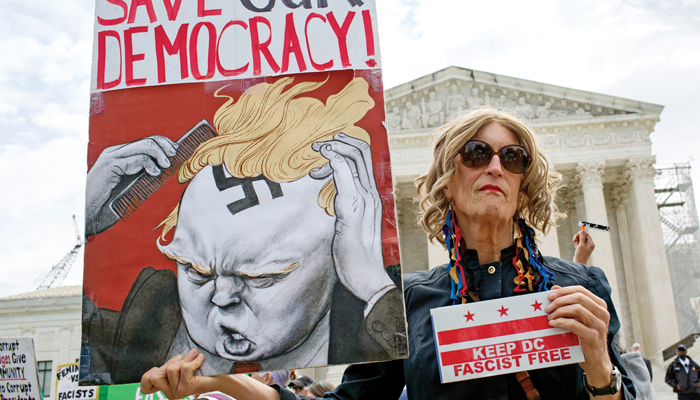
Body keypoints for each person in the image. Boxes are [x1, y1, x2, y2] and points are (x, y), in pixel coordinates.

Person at [140, 108, 634, 399]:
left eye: (514, 158)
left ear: (525, 187)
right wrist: (220, 383)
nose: (496, 168)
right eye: (477, 154)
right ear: (446, 183)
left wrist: (600, 370)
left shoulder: (581, 288)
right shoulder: (406, 301)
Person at [80, 76, 406, 384]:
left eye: (261, 276)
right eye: (195, 270)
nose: (222, 298)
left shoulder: (373, 331)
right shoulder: (144, 321)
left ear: (340, 257)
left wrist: (373, 286)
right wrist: (90, 222)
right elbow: (88, 343)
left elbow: (416, 367)